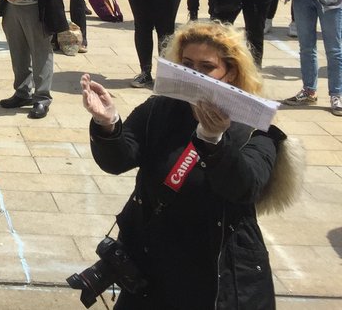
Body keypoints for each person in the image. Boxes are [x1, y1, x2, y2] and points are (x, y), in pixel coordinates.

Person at [80, 21, 301, 310]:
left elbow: (245, 188)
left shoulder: (254, 128)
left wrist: (214, 141)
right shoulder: (162, 108)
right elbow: (118, 160)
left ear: (231, 72)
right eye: (187, 65)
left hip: (216, 272)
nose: (195, 75)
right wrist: (107, 124)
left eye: (207, 67)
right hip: (152, 267)